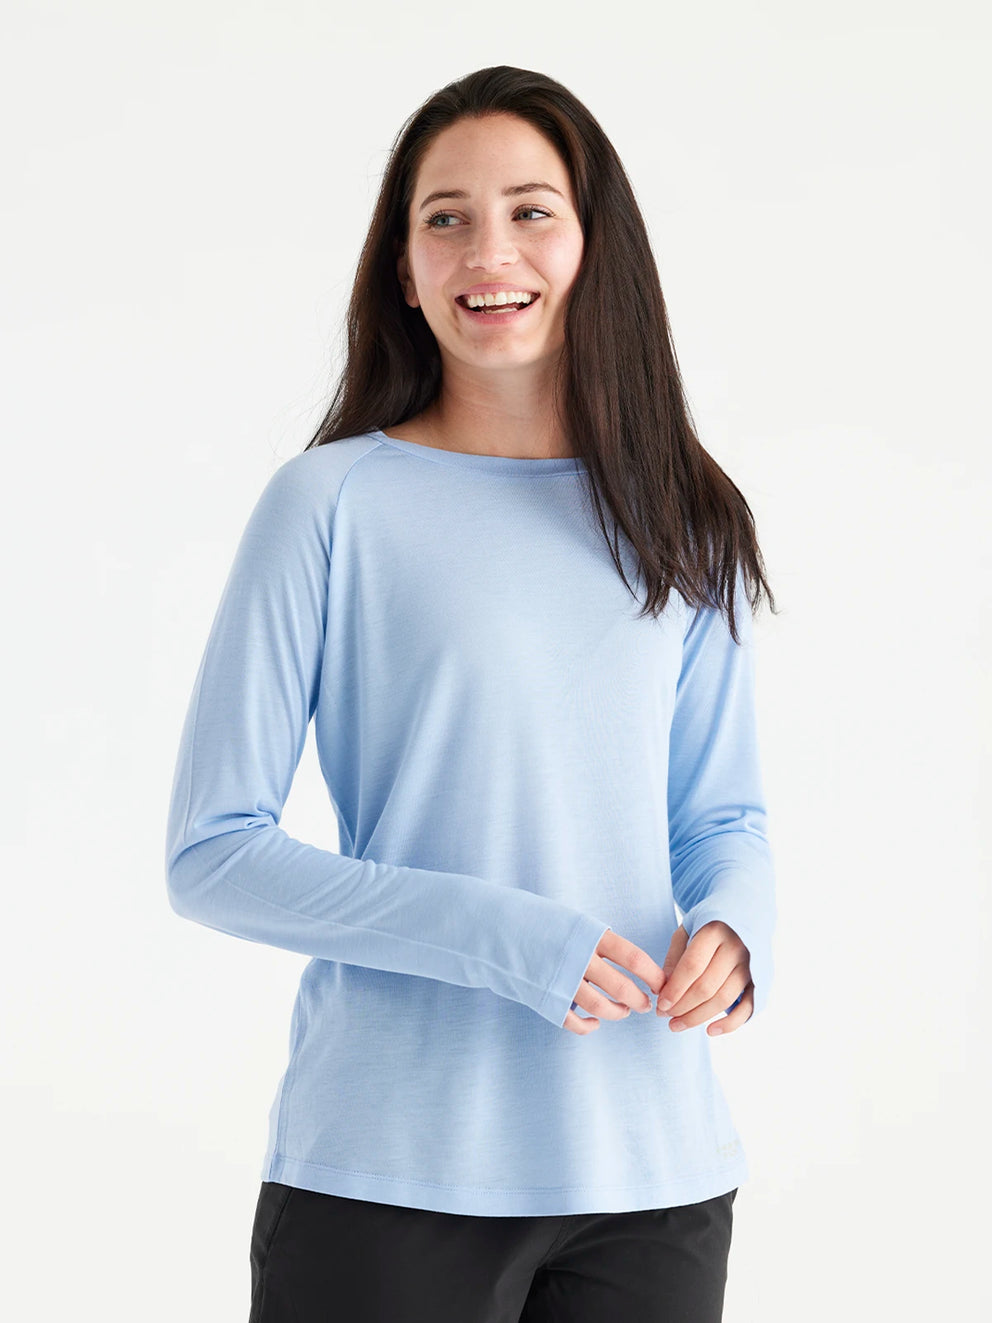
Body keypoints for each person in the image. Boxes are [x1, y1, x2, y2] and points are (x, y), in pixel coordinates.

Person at [165, 64, 778, 1323]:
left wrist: (734, 926)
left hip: (652, 1177)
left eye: (529, 211)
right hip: (389, 1170)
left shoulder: (685, 513)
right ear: (402, 268)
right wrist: (510, 942)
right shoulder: (328, 504)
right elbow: (212, 853)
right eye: (444, 218)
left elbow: (718, 815)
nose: (487, 252)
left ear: (594, 245)